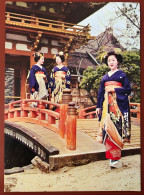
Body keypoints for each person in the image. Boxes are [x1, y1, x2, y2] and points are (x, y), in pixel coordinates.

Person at [96, 51, 131, 168]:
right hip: (106, 107)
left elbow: (128, 90)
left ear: (118, 62)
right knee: (107, 129)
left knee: (117, 129)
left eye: (113, 60)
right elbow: (101, 93)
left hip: (117, 107)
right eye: (109, 60)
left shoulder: (122, 75)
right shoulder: (104, 77)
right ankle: (111, 158)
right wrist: (98, 106)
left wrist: (115, 89)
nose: (111, 62)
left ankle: (116, 159)